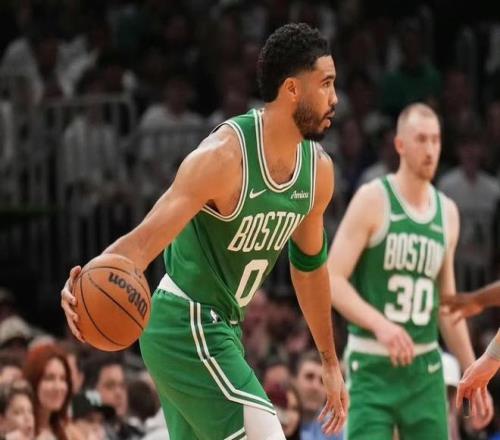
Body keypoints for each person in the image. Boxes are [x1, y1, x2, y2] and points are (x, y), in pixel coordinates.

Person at [61, 22, 348, 440]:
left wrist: (329, 361)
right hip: (186, 321)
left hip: (223, 328)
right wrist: (84, 280)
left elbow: (309, 268)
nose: (335, 97)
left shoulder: (318, 172)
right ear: (291, 89)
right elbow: (143, 242)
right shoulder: (224, 157)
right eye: (325, 84)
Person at [327, 103, 494, 440]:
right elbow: (331, 278)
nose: (430, 149)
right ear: (400, 145)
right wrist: (380, 324)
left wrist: (473, 370)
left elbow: (447, 306)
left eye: (436, 140)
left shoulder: (447, 212)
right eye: (421, 139)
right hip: (372, 364)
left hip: (424, 369)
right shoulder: (372, 199)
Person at [22, 344, 82, 440]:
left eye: (63, 378)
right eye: (49, 378)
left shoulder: (70, 433)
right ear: (33, 381)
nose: (58, 387)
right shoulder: (18, 431)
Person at [293, 351, 342, 440]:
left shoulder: (336, 432)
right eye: (309, 377)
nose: (315, 387)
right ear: (294, 381)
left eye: (322, 381)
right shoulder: (275, 421)